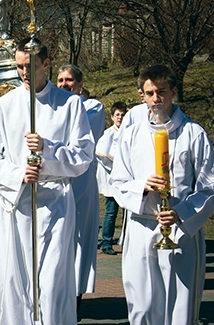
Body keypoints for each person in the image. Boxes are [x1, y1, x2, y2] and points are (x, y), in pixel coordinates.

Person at [0, 38, 94, 325]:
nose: (24, 73)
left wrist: (48, 149)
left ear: (46, 63)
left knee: (52, 283)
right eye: (19, 67)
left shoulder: (69, 105)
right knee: (16, 282)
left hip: (55, 204)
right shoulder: (2, 107)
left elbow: (83, 155)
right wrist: (18, 174)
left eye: (30, 66)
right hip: (16, 206)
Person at [110, 65, 214, 325]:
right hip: (142, 225)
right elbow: (118, 181)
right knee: (142, 307)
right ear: (142, 95)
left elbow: (208, 186)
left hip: (180, 229)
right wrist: (142, 187)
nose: (155, 99)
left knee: (179, 307)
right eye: (149, 93)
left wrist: (181, 212)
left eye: (161, 92)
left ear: (173, 92)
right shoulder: (131, 135)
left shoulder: (193, 134)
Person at [57, 63, 105, 304]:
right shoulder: (51, 107)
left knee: (78, 238)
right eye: (60, 81)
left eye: (69, 81)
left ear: (80, 84)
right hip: (57, 181)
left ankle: (75, 296)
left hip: (82, 181)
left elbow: (79, 140)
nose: (64, 85)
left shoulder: (93, 107)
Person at [96, 101, 127, 255]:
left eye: (122, 115)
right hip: (112, 178)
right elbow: (102, 155)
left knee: (128, 211)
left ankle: (126, 240)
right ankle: (106, 242)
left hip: (126, 179)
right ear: (112, 117)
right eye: (117, 115)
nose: (120, 118)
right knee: (111, 211)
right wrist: (116, 168)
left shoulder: (128, 132)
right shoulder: (109, 133)